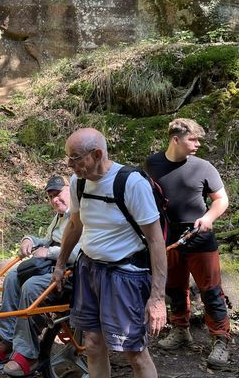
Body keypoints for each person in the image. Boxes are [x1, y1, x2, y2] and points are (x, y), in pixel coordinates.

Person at [53, 128, 167, 378]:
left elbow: (155, 240)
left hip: (125, 275)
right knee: (92, 344)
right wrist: (60, 262)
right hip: (89, 269)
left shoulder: (132, 183)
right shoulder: (78, 182)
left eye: (75, 157)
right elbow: (75, 224)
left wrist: (157, 297)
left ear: (96, 154)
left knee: (134, 352)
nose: (70, 165)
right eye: (68, 158)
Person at [146, 118, 230, 368]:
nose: (197, 144)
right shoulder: (152, 164)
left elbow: (221, 199)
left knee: (211, 290)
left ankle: (221, 338)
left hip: (200, 236)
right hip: (166, 237)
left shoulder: (204, 167)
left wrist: (208, 217)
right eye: (192, 139)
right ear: (175, 139)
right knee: (174, 287)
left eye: (198, 140)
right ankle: (181, 330)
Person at [0, 175, 81, 377]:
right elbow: (46, 240)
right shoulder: (60, 216)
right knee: (12, 277)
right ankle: (7, 339)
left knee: (31, 286)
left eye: (58, 194)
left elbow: (82, 251)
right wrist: (29, 240)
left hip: (73, 273)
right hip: (54, 267)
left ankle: (28, 354)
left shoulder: (81, 214)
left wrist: (50, 252)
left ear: (70, 190)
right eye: (51, 196)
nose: (54, 200)